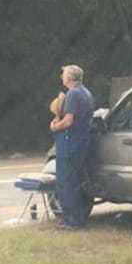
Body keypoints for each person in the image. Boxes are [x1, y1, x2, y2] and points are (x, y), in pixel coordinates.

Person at [50, 65, 95, 229]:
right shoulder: (86, 92)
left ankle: (72, 221)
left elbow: (69, 121)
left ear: (70, 78)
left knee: (66, 182)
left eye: (64, 74)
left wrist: (55, 126)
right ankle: (77, 218)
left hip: (70, 143)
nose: (61, 76)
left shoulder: (73, 94)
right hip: (81, 142)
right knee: (74, 181)